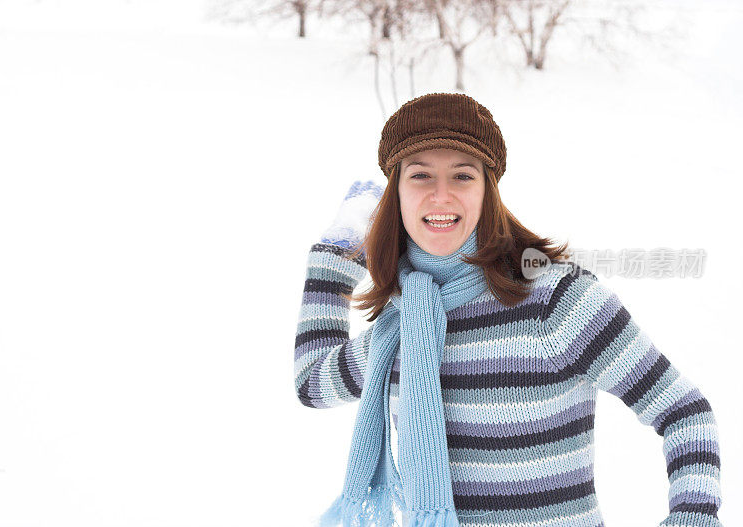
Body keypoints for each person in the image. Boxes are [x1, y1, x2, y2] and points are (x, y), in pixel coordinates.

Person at [293, 93, 722, 527]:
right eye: (420, 176)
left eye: (462, 176)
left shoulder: (555, 301)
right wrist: (335, 255)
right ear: (396, 193)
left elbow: (683, 412)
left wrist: (693, 516)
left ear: (487, 191)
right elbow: (312, 382)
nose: (441, 197)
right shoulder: (405, 325)